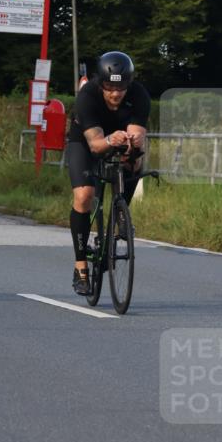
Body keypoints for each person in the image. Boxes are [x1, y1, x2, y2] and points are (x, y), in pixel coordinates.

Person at [67, 51, 151, 295]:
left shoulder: (139, 95)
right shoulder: (87, 96)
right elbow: (95, 146)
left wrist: (132, 143)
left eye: (121, 88)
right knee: (84, 196)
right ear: (100, 83)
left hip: (117, 138)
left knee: (134, 157)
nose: (115, 94)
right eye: (109, 87)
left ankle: (121, 212)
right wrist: (110, 139)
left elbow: (137, 135)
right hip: (85, 142)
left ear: (129, 84)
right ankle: (81, 265)